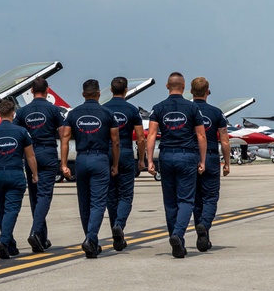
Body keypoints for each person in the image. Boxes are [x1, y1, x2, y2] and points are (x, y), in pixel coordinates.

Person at [146, 72, 206, 259]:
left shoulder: (158, 108)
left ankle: (175, 243)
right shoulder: (192, 108)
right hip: (186, 156)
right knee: (186, 200)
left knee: (170, 203)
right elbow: (201, 136)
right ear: (184, 86)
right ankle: (178, 234)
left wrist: (149, 160)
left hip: (166, 156)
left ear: (167, 86)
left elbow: (151, 135)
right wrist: (202, 160)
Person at [60, 80, 119, 258]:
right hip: (100, 158)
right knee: (99, 202)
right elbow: (115, 142)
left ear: (83, 94)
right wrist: (115, 164)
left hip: (81, 159)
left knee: (84, 203)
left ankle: (91, 242)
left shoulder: (73, 114)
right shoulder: (107, 113)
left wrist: (63, 164)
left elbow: (65, 139)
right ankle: (91, 238)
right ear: (99, 94)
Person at [0, 98, 38, 259]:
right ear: (13, 113)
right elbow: (30, 155)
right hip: (15, 174)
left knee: (2, 211)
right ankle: (4, 240)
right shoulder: (22, 132)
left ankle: (10, 246)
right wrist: (34, 174)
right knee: (12, 210)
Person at [15, 78, 63, 252]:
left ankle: (42, 239)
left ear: (31, 91)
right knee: (44, 196)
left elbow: (16, 133)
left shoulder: (22, 112)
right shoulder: (54, 110)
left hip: (30, 155)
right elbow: (64, 134)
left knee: (35, 197)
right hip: (48, 153)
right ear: (47, 90)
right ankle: (36, 233)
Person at [103, 76, 147, 251]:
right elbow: (141, 138)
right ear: (126, 90)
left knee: (111, 195)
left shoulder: (104, 109)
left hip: (107, 153)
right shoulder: (132, 110)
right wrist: (141, 159)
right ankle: (119, 225)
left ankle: (116, 229)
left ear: (111, 90)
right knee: (126, 195)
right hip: (126, 152)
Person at [190, 76, 231, 252]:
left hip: (191, 158)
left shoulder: (188, 110)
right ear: (208, 92)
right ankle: (204, 225)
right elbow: (225, 140)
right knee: (211, 197)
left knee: (196, 199)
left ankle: (204, 235)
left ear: (191, 92)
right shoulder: (216, 113)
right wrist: (227, 163)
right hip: (212, 158)